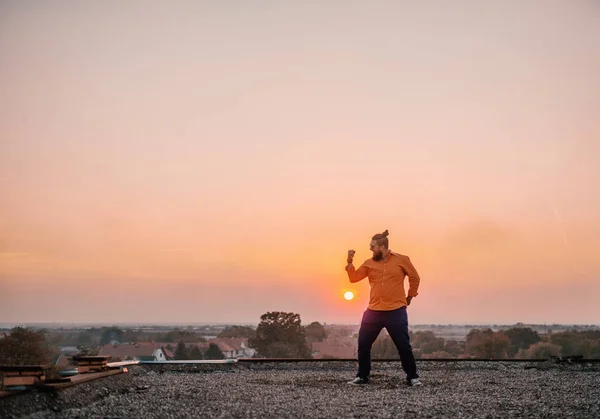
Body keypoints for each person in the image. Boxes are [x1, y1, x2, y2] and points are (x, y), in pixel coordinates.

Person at [345, 229, 422, 387]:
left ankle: (412, 377)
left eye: (372, 246)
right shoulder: (369, 263)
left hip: (396, 311)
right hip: (373, 311)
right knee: (363, 344)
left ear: (382, 246)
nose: (370, 249)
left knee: (403, 345)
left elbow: (415, 277)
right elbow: (353, 278)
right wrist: (350, 261)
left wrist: (410, 296)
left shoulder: (402, 259)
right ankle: (363, 376)